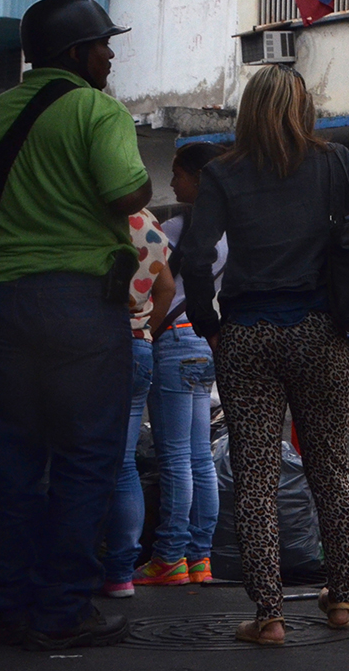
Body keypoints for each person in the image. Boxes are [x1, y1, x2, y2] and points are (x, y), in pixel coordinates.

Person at [0, 0, 152, 651]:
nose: (111, 53)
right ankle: (63, 608)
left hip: (3, 302)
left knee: (7, 458)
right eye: (103, 44)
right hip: (80, 305)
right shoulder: (98, 109)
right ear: (75, 52)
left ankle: (9, 607)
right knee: (87, 455)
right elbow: (126, 193)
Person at [179, 65, 349, 646]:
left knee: (253, 476)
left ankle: (270, 615)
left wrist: (209, 324)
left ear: (249, 110)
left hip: (248, 335)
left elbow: (197, 256)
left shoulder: (222, 174)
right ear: (304, 109)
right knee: (330, 465)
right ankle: (342, 600)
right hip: (319, 333)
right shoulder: (334, 162)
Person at [132, 142, 227, 588]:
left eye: (178, 174)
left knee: (174, 459)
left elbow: (147, 279)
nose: (172, 183)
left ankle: (169, 556)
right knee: (199, 459)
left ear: (198, 177)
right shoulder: (232, 229)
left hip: (171, 339)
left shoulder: (176, 226)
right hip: (206, 341)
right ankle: (199, 557)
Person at [100, 209, 175, 598]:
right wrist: (146, 328)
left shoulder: (89, 215)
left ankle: (74, 564)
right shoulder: (148, 221)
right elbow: (166, 288)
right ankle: (121, 574)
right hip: (138, 345)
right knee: (124, 462)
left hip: (94, 344)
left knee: (78, 457)